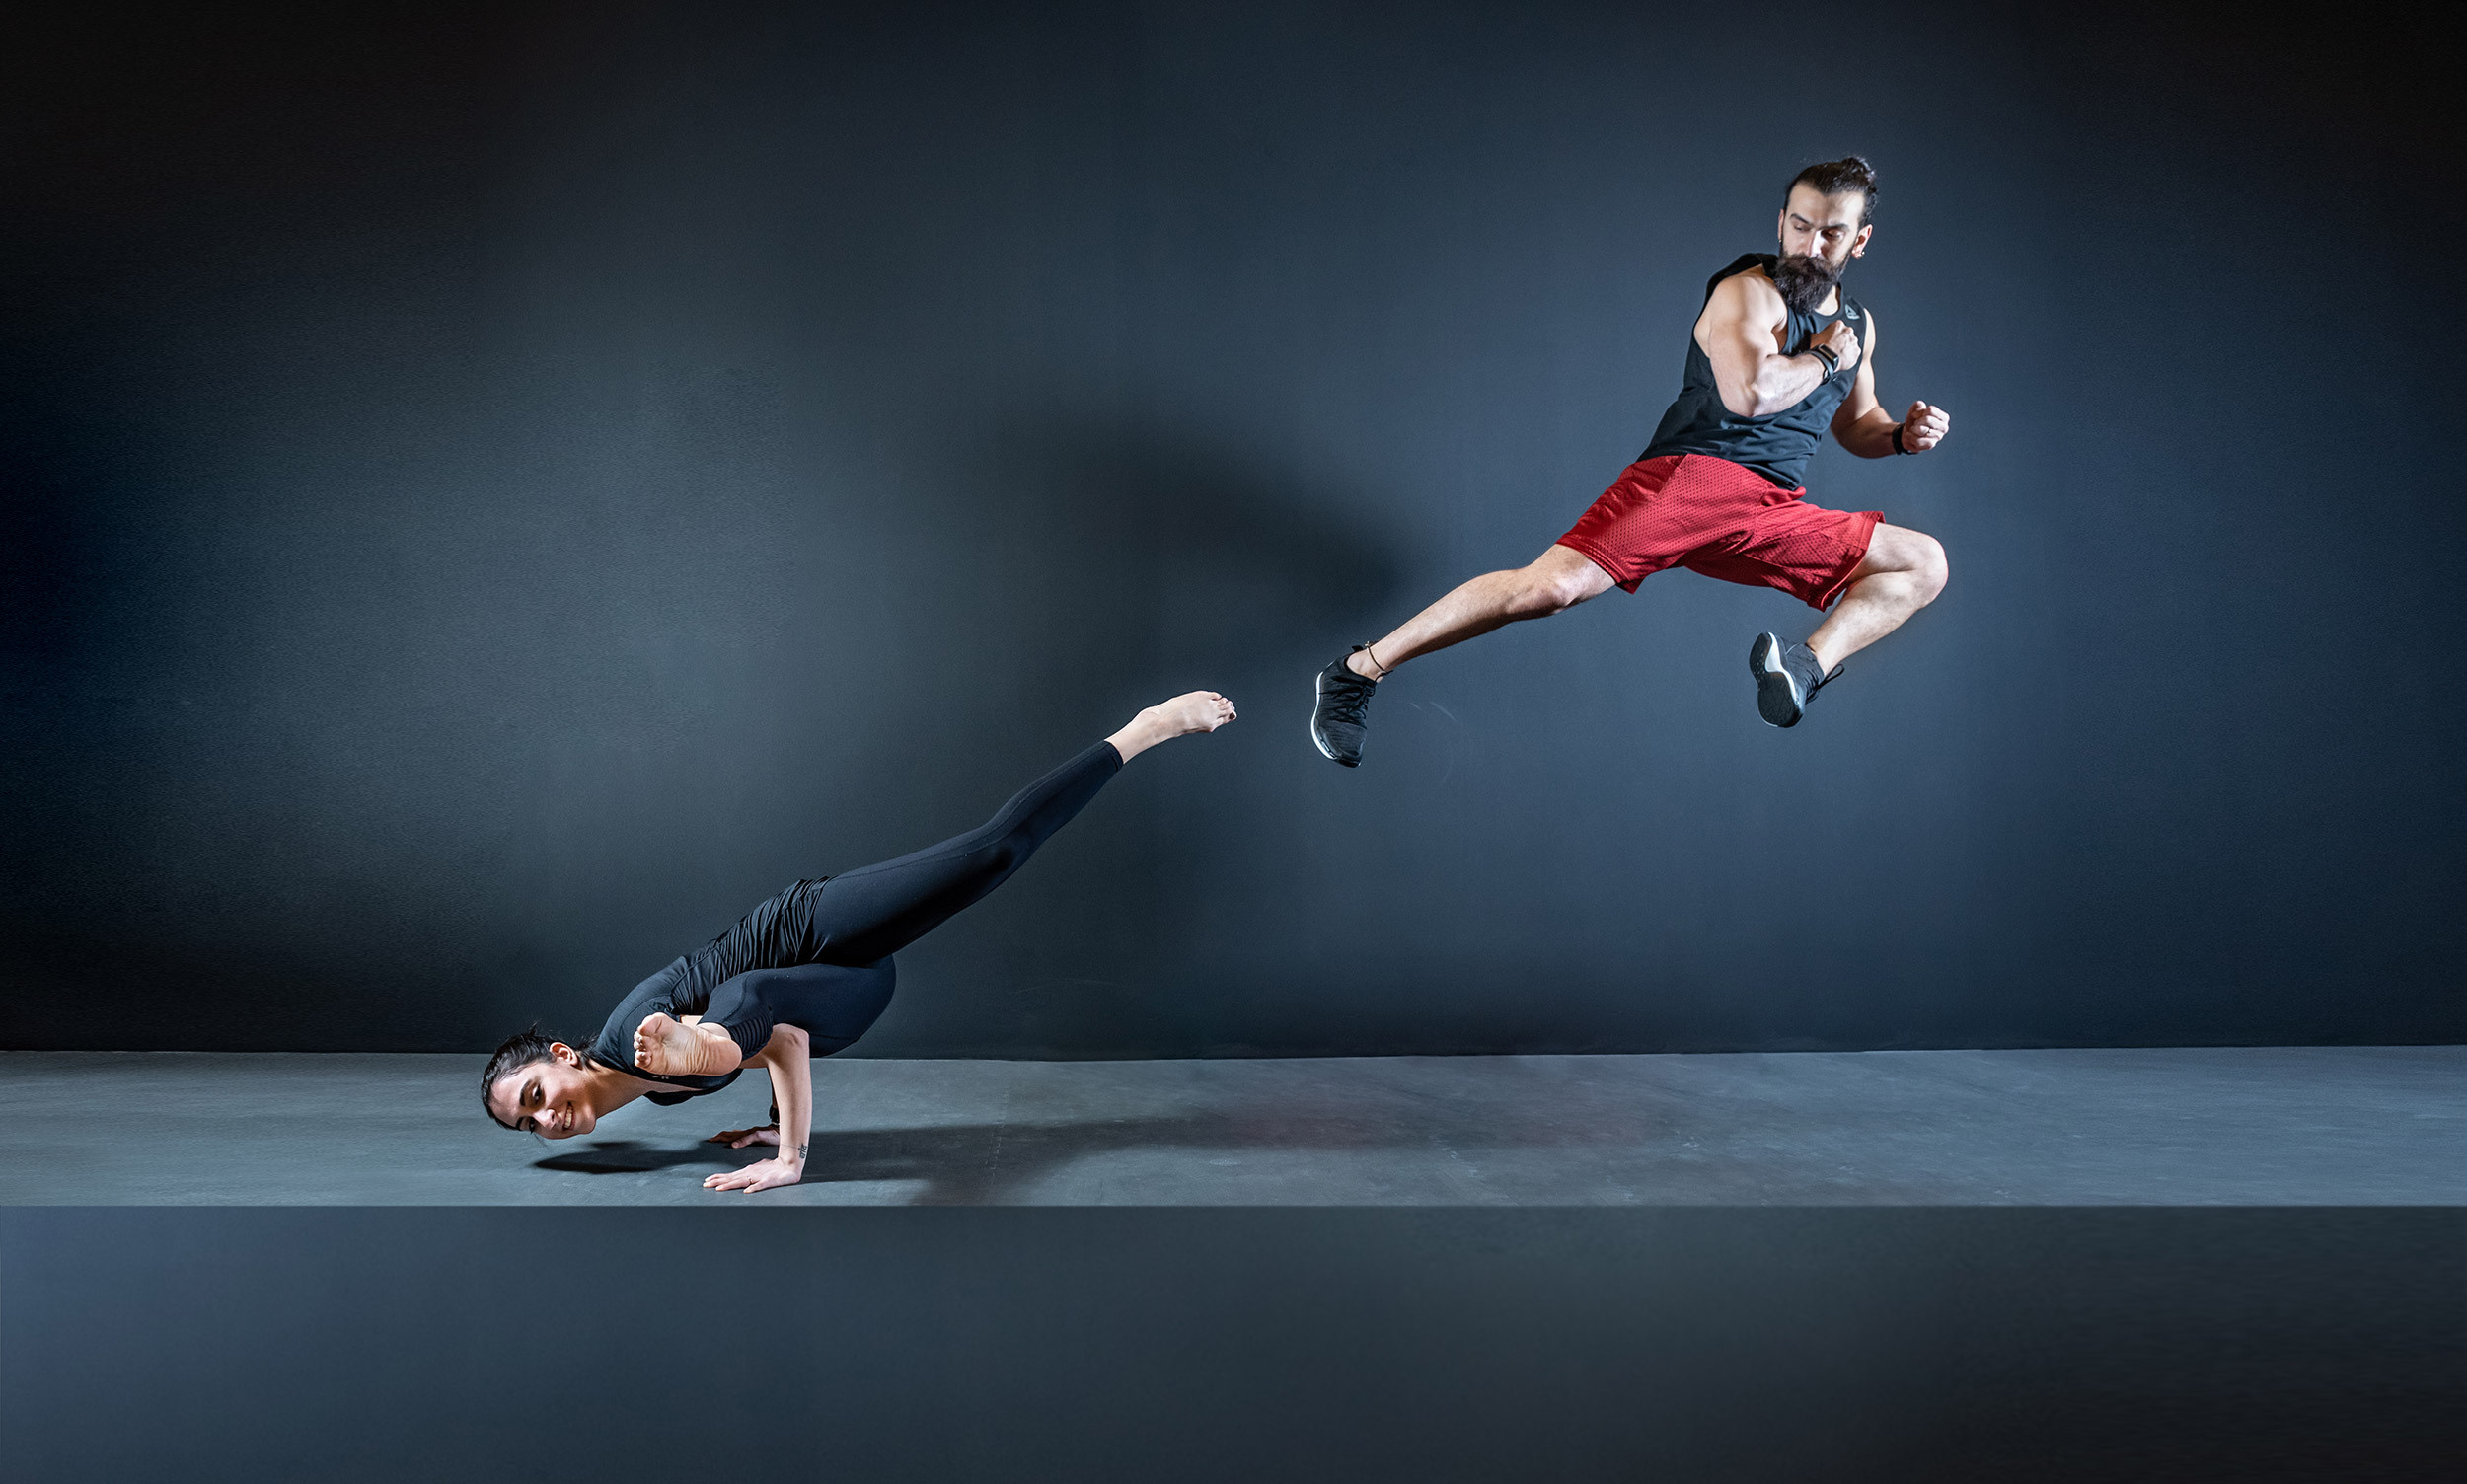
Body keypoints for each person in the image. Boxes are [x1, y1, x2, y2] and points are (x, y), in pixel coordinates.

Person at [1310, 155, 1952, 765]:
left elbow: (1856, 423)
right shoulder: (1748, 292)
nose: (1810, 246)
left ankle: (1804, 669)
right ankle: (1355, 672)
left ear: (1859, 241)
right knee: (1550, 588)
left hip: (1772, 508)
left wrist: (1900, 435)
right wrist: (1825, 358)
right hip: (1695, 479)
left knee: (1923, 564)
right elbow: (1752, 394)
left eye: (1830, 234)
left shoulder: (1857, 327)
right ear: (1781, 221)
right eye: (1800, 225)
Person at [480, 689, 1237, 1192]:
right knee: (763, 1020)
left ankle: (1147, 726)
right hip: (848, 991)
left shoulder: (628, 1033)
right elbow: (789, 1045)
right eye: (530, 1125)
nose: (548, 1121)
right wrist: (779, 1135)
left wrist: (786, 1158)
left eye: (538, 1097)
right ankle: (715, 1045)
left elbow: (766, 1021)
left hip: (811, 929)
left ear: (564, 1058)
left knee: (992, 853)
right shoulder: (644, 1085)